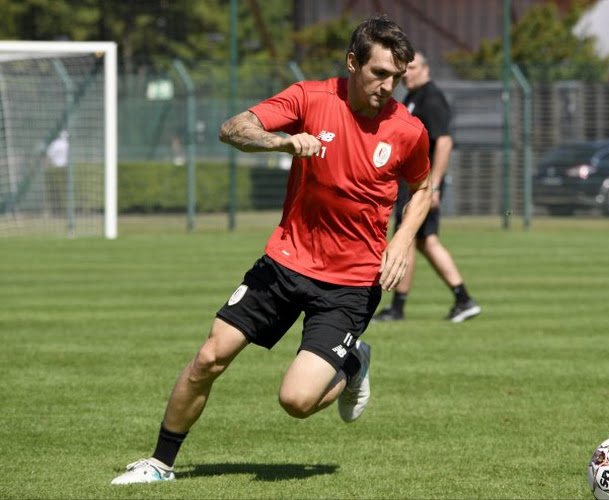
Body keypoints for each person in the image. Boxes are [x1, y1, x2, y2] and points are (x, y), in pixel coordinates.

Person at [111, 15, 432, 485]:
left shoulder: (408, 130)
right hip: (285, 262)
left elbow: (423, 189)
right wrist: (282, 142)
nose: (388, 86)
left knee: (297, 402)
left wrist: (402, 240)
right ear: (351, 62)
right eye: (379, 73)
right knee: (208, 358)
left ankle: (353, 361)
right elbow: (233, 128)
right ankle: (160, 463)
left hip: (350, 283)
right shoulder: (309, 97)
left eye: (396, 77)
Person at [373, 51, 480, 323]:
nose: (406, 73)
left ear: (426, 68)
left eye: (412, 67)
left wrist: (433, 186)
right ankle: (462, 298)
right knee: (423, 241)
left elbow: (444, 142)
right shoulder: (413, 97)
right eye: (403, 69)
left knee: (409, 239)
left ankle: (399, 307)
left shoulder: (431, 98)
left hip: (421, 187)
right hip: (414, 184)